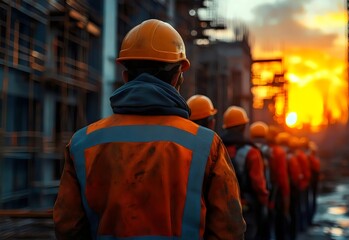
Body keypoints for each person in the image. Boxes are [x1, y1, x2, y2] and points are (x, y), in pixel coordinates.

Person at [53, 19, 245, 240]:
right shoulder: (205, 145)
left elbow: (67, 227)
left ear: (126, 77)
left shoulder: (82, 143)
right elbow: (229, 230)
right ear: (178, 77)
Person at [221, 106, 269, 240]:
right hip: (246, 207)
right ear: (243, 127)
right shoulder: (251, 152)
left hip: (220, 207)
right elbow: (258, 184)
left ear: (225, 127)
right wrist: (264, 204)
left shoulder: (216, 147)